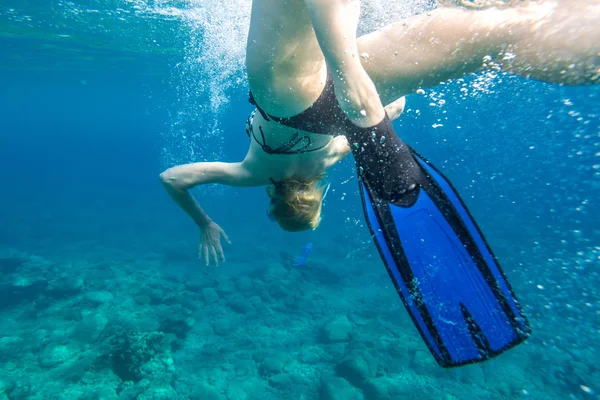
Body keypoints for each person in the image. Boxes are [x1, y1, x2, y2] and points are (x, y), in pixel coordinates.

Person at [160, 0, 598, 367]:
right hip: (284, 95)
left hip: (340, 116)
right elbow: (174, 179)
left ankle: (351, 70)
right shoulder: (253, 174)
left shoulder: (333, 156)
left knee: (509, 33)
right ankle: (345, 62)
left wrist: (378, 108)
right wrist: (203, 221)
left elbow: (401, 108)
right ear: (276, 200)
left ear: (318, 197)